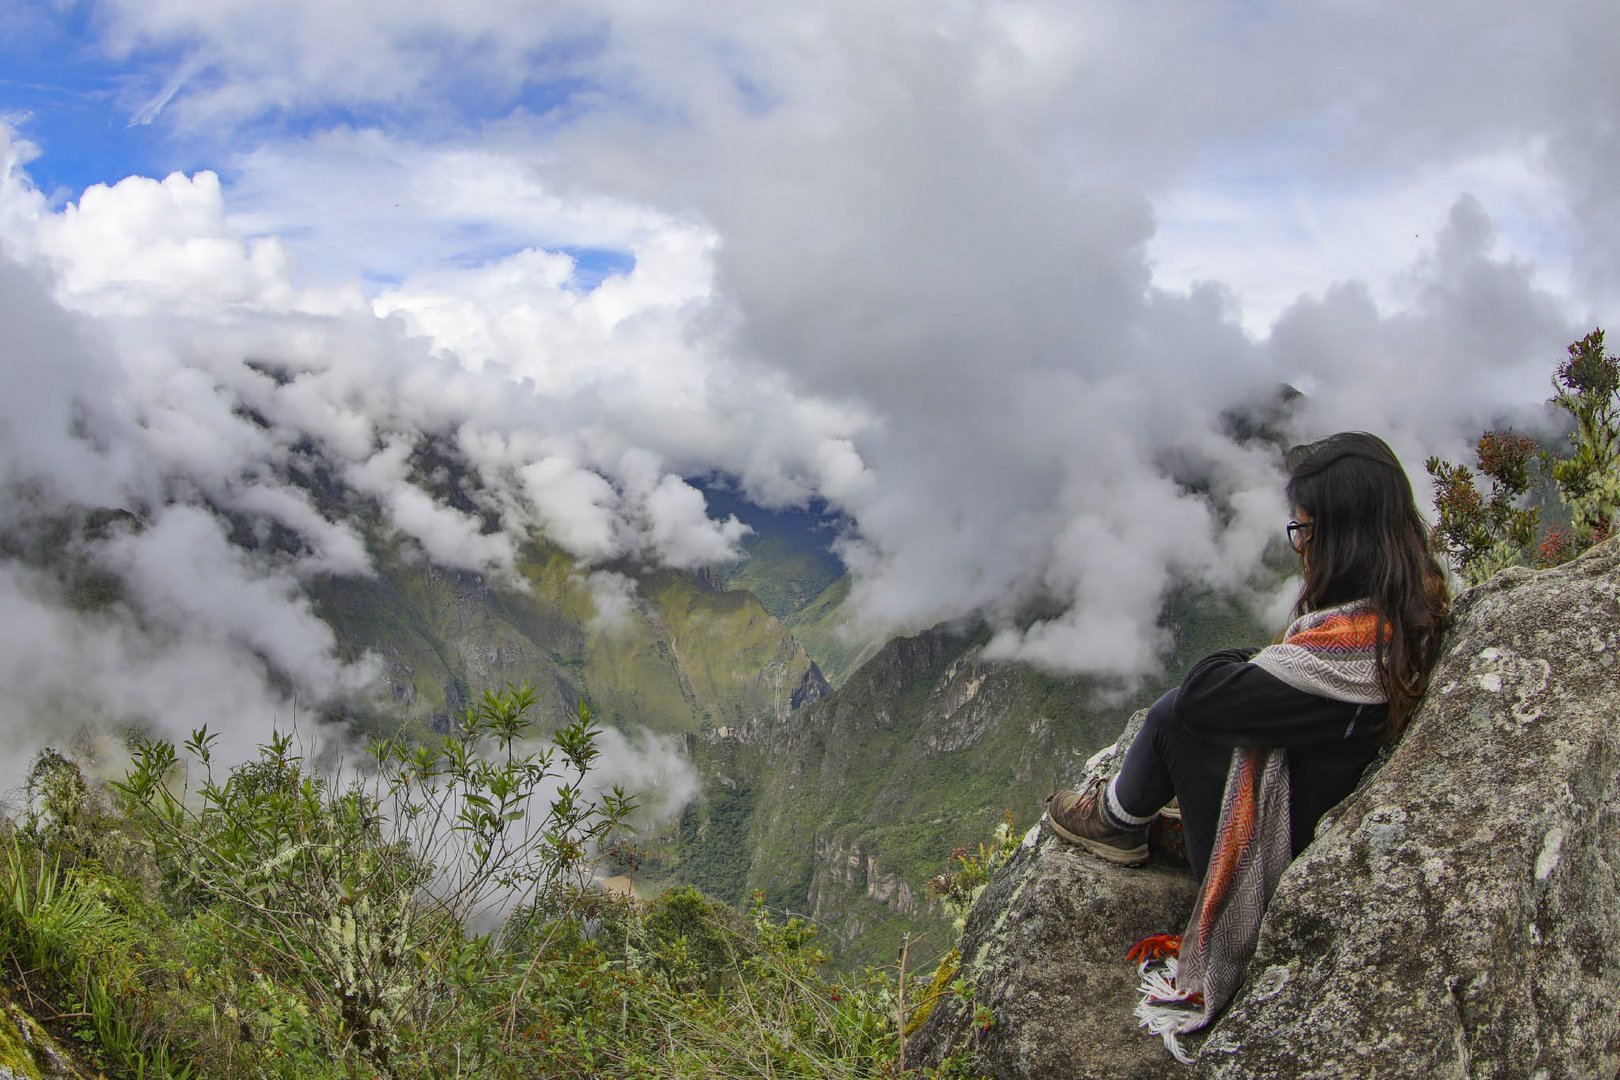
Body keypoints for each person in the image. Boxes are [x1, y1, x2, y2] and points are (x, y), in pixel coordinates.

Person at [1045, 431, 1450, 881]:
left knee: (1173, 719)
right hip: (1311, 804)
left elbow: (1201, 696)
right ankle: (1140, 816)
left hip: (1275, 858)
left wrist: (1266, 660)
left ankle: (1114, 822)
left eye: (1304, 529)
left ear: (1343, 541)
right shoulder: (1405, 618)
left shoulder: (1348, 661)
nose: (1301, 548)